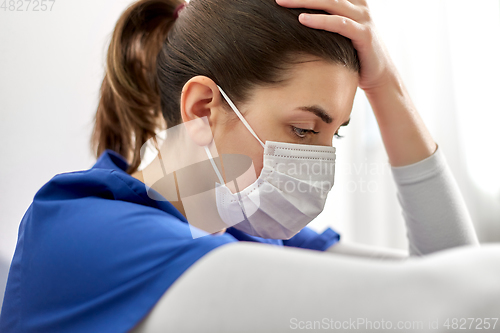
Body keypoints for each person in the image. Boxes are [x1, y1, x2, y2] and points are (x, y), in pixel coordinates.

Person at [0, 0, 484, 332]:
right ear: (203, 109)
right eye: (301, 130)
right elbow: (449, 305)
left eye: (332, 134)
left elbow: (456, 287)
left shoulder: (243, 229)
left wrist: (388, 89)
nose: (320, 162)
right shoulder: (88, 235)